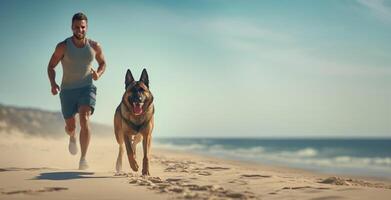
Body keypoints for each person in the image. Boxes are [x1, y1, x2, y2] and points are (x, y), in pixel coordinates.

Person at [47, 12, 106, 170]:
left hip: (86, 88)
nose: (80, 30)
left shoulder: (94, 46)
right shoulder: (63, 46)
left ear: (87, 27)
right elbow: (51, 66)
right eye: (76, 27)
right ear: (71, 28)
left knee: (85, 118)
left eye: (83, 27)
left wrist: (98, 74)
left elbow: (103, 63)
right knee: (71, 126)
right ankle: (72, 137)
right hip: (67, 91)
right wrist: (53, 83)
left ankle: (83, 158)